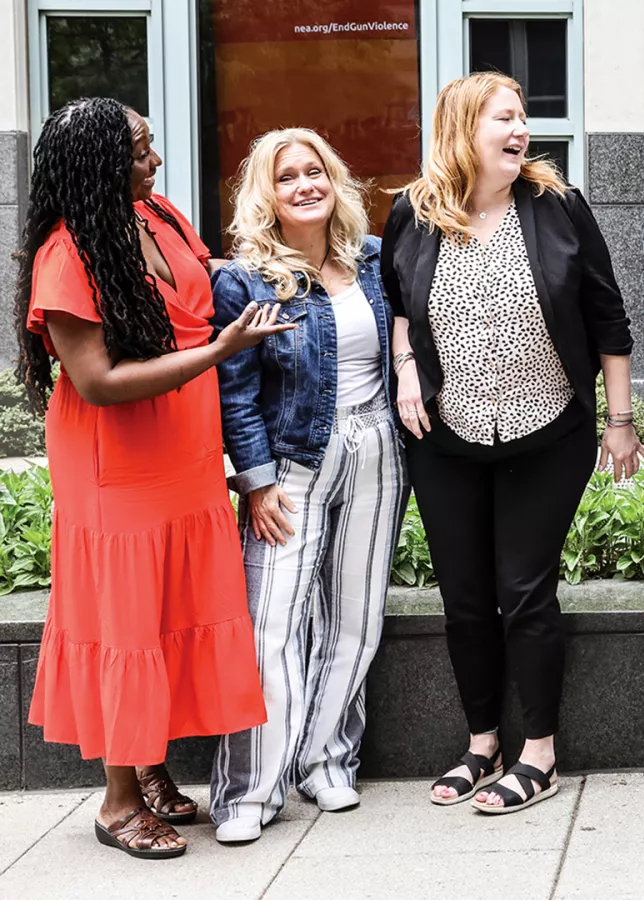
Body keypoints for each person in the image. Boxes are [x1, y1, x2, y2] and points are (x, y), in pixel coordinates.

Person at [13, 98, 283, 859]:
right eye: (140, 151)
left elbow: (203, 280)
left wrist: (283, 260)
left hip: (183, 451)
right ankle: (118, 799)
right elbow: (97, 381)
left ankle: (155, 769)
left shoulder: (157, 215)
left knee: (169, 609)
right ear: (100, 164)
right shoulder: (66, 255)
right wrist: (219, 353)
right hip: (116, 464)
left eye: (152, 147)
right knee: (128, 621)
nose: (155, 162)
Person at [383, 72, 644, 814]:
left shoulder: (557, 206)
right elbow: (399, 302)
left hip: (547, 430)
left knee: (524, 592)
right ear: (463, 129)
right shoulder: (414, 211)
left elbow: (608, 318)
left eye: (523, 117)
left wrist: (620, 424)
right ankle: (480, 742)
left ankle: (540, 752)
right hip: (445, 433)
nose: (521, 129)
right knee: (465, 598)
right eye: (505, 117)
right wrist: (406, 369)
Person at [208, 129, 407, 842]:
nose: (304, 185)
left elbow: (406, 335)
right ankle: (248, 793)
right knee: (271, 626)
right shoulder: (244, 278)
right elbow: (235, 393)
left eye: (314, 171)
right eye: (287, 176)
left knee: (355, 620)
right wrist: (255, 484)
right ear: (268, 192)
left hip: (377, 447)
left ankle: (327, 760)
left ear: (334, 180)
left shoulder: (375, 259)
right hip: (291, 465)